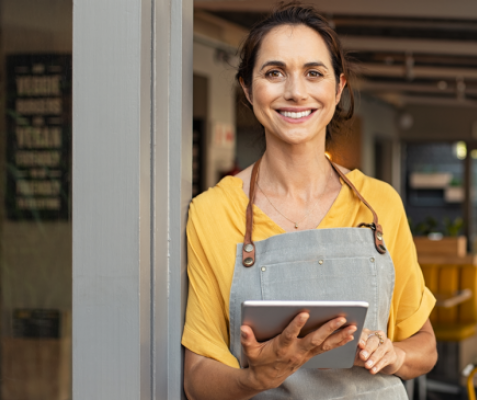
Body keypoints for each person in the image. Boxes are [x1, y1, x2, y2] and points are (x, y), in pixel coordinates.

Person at [182, 4, 437, 399]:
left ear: (337, 88)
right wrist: (255, 378)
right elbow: (197, 377)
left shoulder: (379, 203)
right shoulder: (213, 212)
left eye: (313, 73)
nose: (296, 91)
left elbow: (424, 346)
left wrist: (394, 354)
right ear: (248, 89)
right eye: (274, 72)